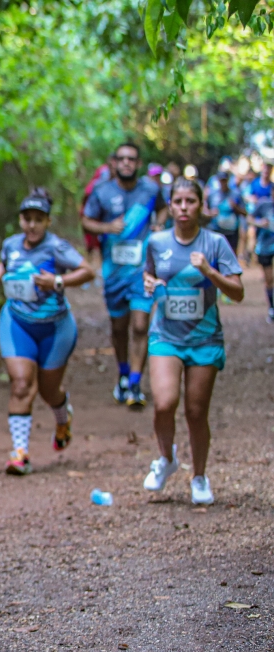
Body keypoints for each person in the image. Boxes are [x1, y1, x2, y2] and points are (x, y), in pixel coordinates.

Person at [142, 178, 244, 506]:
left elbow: (238, 292)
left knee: (196, 412)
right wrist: (150, 283)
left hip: (204, 339)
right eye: (178, 201)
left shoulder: (215, 243)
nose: (184, 207)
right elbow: (149, 274)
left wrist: (210, 272)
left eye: (191, 201)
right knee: (164, 403)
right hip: (165, 335)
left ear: (201, 205)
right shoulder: (156, 242)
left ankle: (199, 476)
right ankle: (166, 458)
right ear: (170, 206)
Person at [0, 189, 94, 475]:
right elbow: (4, 264)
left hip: (55, 328)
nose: (32, 225)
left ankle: (63, 417)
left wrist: (57, 281)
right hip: (17, 322)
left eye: (38, 219)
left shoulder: (56, 247)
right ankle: (19, 453)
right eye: (27, 219)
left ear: (47, 222)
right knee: (21, 384)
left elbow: (87, 271)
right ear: (20, 220)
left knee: (48, 390)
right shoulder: (11, 244)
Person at [82, 142, 168, 409]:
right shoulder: (102, 191)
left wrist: (159, 223)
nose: (127, 163)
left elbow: (163, 207)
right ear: (114, 163)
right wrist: (106, 227)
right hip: (114, 272)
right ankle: (122, 373)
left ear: (139, 163)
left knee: (140, 326)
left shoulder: (150, 189)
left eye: (132, 159)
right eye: (122, 159)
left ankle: (135, 382)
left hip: (142, 271)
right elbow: (86, 220)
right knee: (119, 328)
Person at [203, 171, 246, 253]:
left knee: (231, 253)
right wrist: (211, 213)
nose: (223, 183)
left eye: (224, 180)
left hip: (231, 232)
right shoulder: (212, 194)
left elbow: (245, 213)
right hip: (216, 230)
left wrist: (235, 208)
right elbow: (205, 211)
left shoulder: (236, 194)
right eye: (221, 180)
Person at [247, 196, 274, 322]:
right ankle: (272, 308)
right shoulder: (264, 204)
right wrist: (260, 223)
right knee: (269, 279)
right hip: (265, 248)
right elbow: (249, 219)